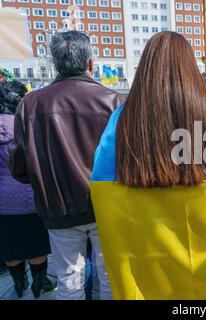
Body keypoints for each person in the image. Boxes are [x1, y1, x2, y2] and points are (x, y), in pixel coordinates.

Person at [89, 31, 206, 300]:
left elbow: (103, 187)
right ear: (190, 68)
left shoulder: (122, 119)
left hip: (146, 268)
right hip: (204, 266)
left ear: (145, 68)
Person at [8, 31, 124, 300]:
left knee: (68, 279)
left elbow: (20, 163)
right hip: (107, 206)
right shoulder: (114, 101)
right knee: (109, 277)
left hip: (57, 207)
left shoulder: (31, 103)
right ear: (91, 63)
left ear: (55, 63)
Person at [0, 79, 56, 299]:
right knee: (36, 244)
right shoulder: (26, 127)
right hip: (29, 198)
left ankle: (18, 281)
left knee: (9, 245)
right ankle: (40, 282)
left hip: (2, 206)